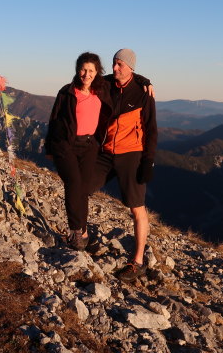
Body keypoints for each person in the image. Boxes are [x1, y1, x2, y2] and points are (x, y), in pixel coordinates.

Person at [91, 48, 157, 282]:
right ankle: (80, 236)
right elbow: (84, 79)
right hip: (106, 151)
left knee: (136, 207)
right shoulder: (107, 84)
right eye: (114, 63)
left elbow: (151, 128)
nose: (115, 68)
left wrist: (148, 160)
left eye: (120, 64)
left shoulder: (142, 92)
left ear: (130, 67)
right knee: (81, 187)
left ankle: (138, 261)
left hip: (132, 153)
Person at [45, 52, 112, 250]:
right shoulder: (67, 92)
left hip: (90, 146)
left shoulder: (101, 90)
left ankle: (83, 233)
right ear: (77, 69)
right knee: (73, 183)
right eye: (83, 69)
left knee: (83, 189)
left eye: (91, 70)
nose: (86, 74)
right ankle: (75, 231)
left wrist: (146, 82)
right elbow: (54, 119)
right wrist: (49, 147)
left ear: (97, 72)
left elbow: (123, 79)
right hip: (67, 145)